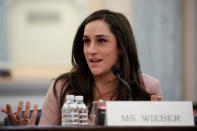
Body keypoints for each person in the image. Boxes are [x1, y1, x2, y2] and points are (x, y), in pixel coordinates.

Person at [1, 9, 162, 126]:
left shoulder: (147, 87)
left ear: (121, 47)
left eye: (101, 41)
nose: (91, 50)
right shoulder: (63, 86)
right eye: (86, 41)